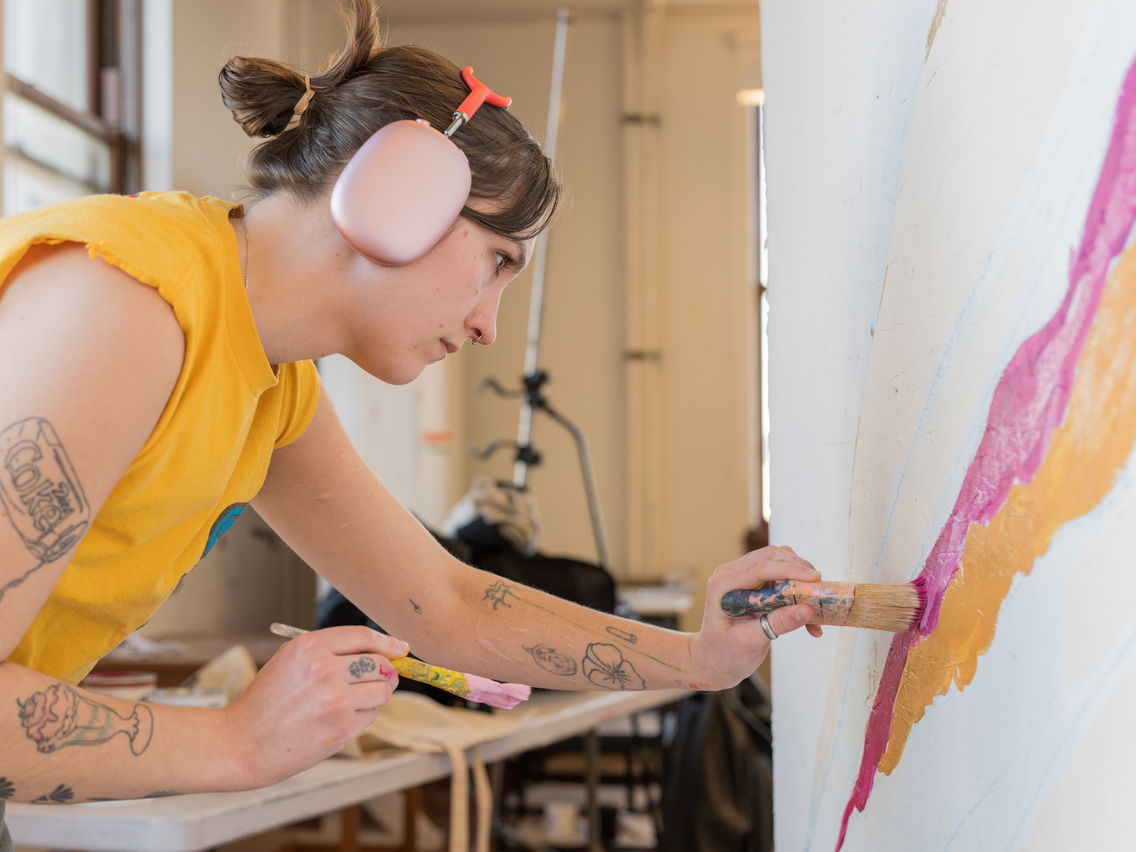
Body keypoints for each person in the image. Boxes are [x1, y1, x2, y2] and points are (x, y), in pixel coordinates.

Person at [0, 0, 820, 835]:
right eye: (497, 260)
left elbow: (446, 605)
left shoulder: (268, 383)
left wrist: (698, 659)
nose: (488, 326)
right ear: (399, 193)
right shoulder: (130, 305)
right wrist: (233, 741)